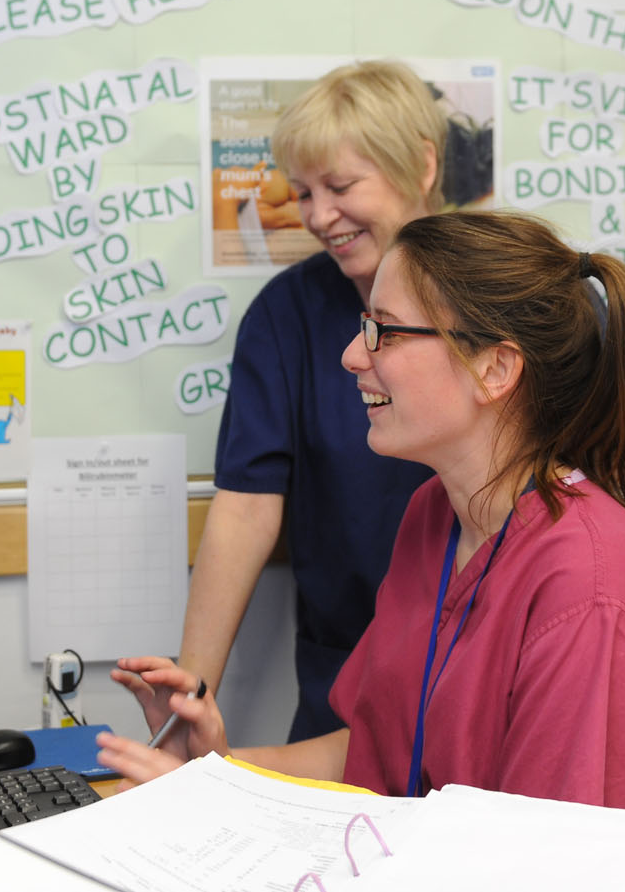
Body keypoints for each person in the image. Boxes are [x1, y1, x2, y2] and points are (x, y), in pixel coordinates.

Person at [100, 210, 625, 822]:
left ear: (494, 369)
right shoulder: (437, 517)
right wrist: (216, 774)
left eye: (385, 333)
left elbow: (544, 860)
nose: (350, 355)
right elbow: (374, 758)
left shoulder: (590, 593)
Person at [179, 60, 445, 741]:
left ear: (421, 166)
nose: (319, 215)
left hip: (480, 665)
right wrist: (186, 705)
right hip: (345, 675)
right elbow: (244, 508)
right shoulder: (286, 316)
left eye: (341, 185)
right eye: (302, 192)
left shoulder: (503, 300)